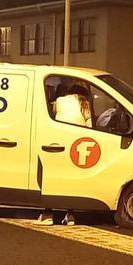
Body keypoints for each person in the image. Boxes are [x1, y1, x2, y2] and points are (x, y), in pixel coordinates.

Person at [36, 82, 93, 226]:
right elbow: (90, 126)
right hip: (76, 145)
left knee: (53, 178)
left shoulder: (60, 101)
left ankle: (48, 213)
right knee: (71, 181)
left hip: (59, 141)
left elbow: (53, 116)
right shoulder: (85, 104)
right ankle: (70, 215)